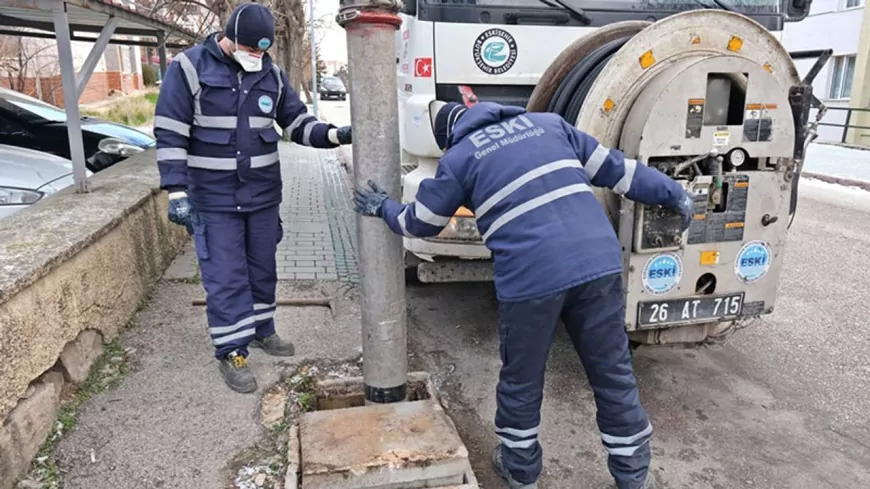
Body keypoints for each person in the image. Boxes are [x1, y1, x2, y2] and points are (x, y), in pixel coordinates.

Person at [353, 100, 694, 489]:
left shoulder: (461, 156)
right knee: (612, 372)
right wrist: (672, 193)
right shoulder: (551, 125)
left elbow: (423, 222)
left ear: (450, 135)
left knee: (522, 378)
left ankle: (521, 470)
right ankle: (632, 475)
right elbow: (620, 171)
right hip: (597, 263)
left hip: (531, 279)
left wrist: (383, 208)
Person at [154, 2, 353, 394]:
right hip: (213, 200)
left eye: (263, 52)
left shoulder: (271, 74)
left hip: (261, 196)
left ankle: (263, 329)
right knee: (226, 276)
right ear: (229, 39)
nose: (257, 57)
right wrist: (176, 190)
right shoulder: (189, 69)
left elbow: (296, 122)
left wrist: (333, 136)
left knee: (262, 269)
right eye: (251, 49)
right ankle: (232, 350)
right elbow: (170, 132)